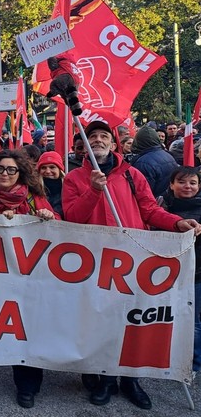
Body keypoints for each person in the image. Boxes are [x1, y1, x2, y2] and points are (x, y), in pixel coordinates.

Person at [62, 120, 201, 410]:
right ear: (85, 146)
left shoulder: (132, 174)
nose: (98, 140)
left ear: (113, 144)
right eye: (93, 137)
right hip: (96, 264)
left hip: (132, 262)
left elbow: (150, 210)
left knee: (132, 321)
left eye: (104, 136)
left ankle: (131, 380)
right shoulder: (74, 178)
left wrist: (177, 223)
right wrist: (93, 190)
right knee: (102, 322)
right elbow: (73, 217)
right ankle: (107, 378)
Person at [0, 149, 58, 409]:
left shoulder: (35, 199)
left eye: (11, 169)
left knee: (26, 329)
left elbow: (59, 230)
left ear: (20, 173)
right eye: (0, 169)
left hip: (27, 276)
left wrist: (48, 217)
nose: (5, 174)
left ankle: (27, 387)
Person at [159, 166, 201, 375]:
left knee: (192, 320)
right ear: (171, 184)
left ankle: (193, 365)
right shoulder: (161, 204)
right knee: (164, 315)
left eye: (193, 183)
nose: (188, 186)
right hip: (164, 272)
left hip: (195, 275)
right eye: (182, 182)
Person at [128, 126, 178, 198]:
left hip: (153, 202)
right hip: (165, 200)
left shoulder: (142, 163)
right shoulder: (167, 154)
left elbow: (142, 193)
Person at [36, 151, 65, 218]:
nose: (48, 171)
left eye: (52, 167)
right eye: (43, 168)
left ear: (59, 170)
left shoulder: (69, 188)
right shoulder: (34, 189)